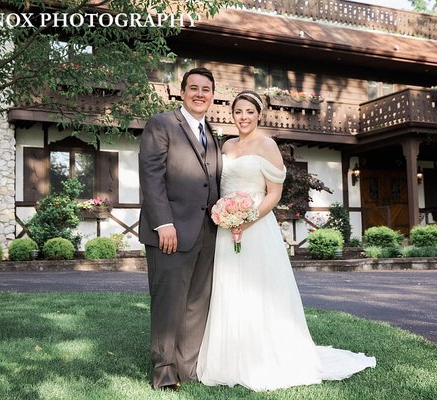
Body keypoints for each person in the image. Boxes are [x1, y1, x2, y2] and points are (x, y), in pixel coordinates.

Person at [196, 90, 376, 391]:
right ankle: (230, 357)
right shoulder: (226, 145)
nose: (243, 117)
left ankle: (265, 356)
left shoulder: (267, 145)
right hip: (228, 229)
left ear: (258, 114)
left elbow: (274, 194)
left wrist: (246, 220)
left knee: (260, 288)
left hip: (256, 226)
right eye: (238, 111)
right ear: (232, 114)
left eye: (249, 112)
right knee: (229, 286)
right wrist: (228, 219)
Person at [138, 67, 222, 391]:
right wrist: (163, 223)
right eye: (194, 88)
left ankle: (189, 369)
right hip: (170, 233)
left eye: (206, 89)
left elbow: (211, 183)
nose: (200, 94)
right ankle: (164, 374)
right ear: (182, 92)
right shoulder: (161, 124)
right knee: (168, 303)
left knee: (196, 304)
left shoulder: (212, 133)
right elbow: (152, 177)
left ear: (212, 95)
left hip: (207, 233)